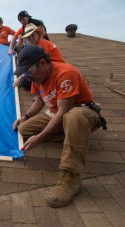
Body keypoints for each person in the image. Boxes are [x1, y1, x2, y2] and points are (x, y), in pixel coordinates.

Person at [12, 45, 106, 208]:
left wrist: (40, 138)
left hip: (82, 113)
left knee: (72, 117)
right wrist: (25, 117)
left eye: (29, 71)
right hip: (57, 115)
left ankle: (71, 179)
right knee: (24, 129)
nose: (27, 76)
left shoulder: (65, 73)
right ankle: (75, 137)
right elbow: (40, 101)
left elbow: (64, 111)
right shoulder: (38, 78)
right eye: (24, 73)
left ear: (42, 63)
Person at [14, 23, 65, 90]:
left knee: (27, 80)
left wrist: (21, 77)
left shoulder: (41, 45)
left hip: (55, 69)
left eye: (33, 35)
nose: (31, 38)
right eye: (29, 37)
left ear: (38, 34)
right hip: (50, 66)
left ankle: (44, 91)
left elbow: (38, 64)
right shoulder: (38, 44)